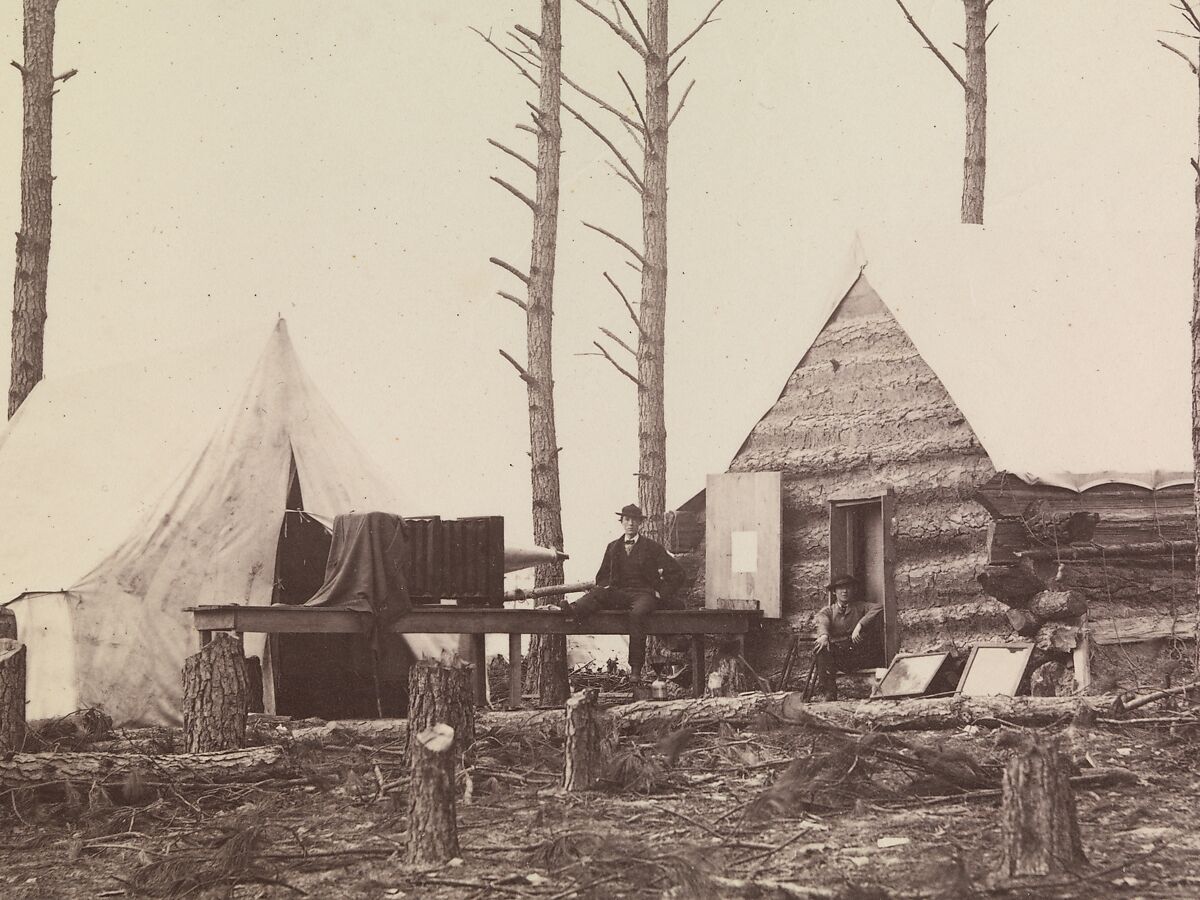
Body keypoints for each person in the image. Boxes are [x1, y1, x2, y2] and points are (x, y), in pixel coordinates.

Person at [557, 503, 685, 682]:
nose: (630, 524)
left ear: (640, 523)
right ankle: (573, 610)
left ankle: (635, 668)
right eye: (627, 520)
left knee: (637, 614)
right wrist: (606, 588)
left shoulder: (652, 547)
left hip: (644, 594)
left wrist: (661, 593)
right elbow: (601, 576)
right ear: (622, 522)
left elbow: (677, 573)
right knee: (598, 593)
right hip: (620, 594)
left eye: (634, 520)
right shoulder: (613, 547)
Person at [813, 574, 882, 701]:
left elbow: (878, 607)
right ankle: (829, 691)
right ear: (834, 592)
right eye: (840, 588)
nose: (844, 591)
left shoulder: (860, 606)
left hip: (858, 655)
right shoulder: (829, 611)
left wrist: (860, 625)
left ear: (853, 590)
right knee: (821, 649)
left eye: (848, 587)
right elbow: (822, 621)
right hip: (840, 657)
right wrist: (823, 636)